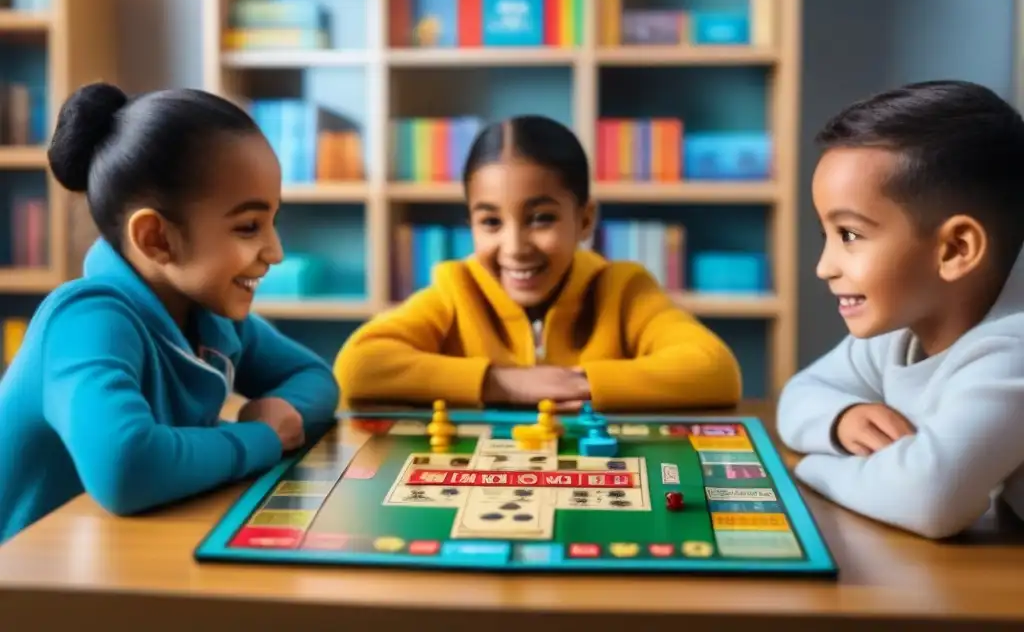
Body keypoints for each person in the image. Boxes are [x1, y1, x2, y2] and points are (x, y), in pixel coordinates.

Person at [0, 82, 339, 544]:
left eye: (272, 222)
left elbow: (315, 378)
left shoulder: (209, 314)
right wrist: (259, 439)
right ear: (156, 239)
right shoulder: (84, 320)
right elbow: (125, 467)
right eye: (248, 227)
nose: (275, 252)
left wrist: (278, 416)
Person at [334, 114, 741, 412]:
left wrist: (573, 384)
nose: (514, 247)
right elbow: (358, 367)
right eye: (490, 222)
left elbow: (714, 370)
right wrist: (502, 383)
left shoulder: (623, 288)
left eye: (541, 218)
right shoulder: (455, 288)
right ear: (470, 224)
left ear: (584, 219)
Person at [776, 79, 1024, 539]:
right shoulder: (903, 332)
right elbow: (800, 393)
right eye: (825, 235)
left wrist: (810, 471)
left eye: (849, 235)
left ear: (955, 249)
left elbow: (930, 499)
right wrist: (841, 419)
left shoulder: (1014, 351)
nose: (824, 267)